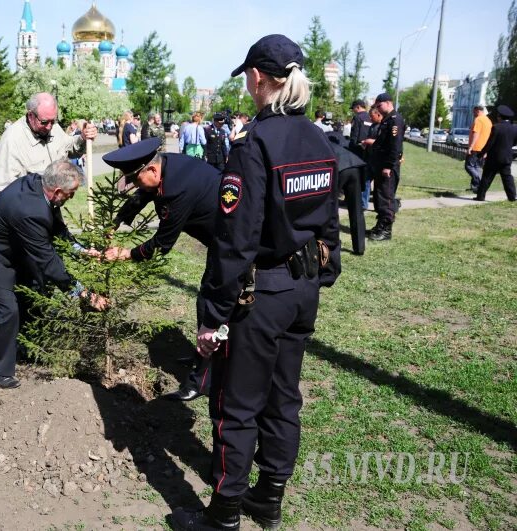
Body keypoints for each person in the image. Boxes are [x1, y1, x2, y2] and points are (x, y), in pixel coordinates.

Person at [170, 34, 340, 531]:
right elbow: (330, 218)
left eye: (247, 76)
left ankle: (223, 515)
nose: (246, 83)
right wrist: (320, 274)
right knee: (284, 396)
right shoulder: (318, 137)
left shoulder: (254, 145)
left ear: (260, 78)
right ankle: (269, 497)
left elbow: (234, 241)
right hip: (301, 292)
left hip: (261, 295)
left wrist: (212, 316)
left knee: (236, 405)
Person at [0, 160, 108, 389]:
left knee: (31, 288)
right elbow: (49, 262)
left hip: (9, 247)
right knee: (7, 308)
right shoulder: (30, 210)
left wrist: (81, 250)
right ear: (57, 191)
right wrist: (83, 293)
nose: (72, 198)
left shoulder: (41, 185)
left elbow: (57, 228)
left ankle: (24, 345)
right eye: (71, 193)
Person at [102, 137, 222, 402]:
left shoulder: (177, 190)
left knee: (210, 305)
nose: (134, 185)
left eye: (134, 179)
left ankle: (200, 381)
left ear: (152, 170)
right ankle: (203, 355)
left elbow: (161, 245)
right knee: (209, 304)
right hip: (222, 240)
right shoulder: (166, 165)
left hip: (231, 243)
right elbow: (143, 193)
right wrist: (118, 220)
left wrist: (125, 254)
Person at [0, 92, 97, 198]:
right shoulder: (12, 138)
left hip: (50, 205)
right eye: (44, 122)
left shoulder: (53, 126)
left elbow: (70, 148)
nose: (49, 127)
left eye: (53, 121)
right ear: (31, 115)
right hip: (26, 207)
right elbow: (2, 189)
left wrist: (83, 137)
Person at [367, 92, 405, 241]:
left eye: (379, 105)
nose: (378, 109)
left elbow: (395, 146)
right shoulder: (386, 120)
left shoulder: (395, 120)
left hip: (387, 167)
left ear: (388, 103)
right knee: (379, 197)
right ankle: (380, 225)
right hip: (380, 164)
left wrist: (389, 166)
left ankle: (386, 230)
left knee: (386, 199)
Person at [475, 105, 517, 202]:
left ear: (499, 116)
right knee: (507, 177)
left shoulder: (496, 127)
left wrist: (481, 154)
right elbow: (515, 142)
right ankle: (512, 197)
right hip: (506, 157)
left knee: (487, 177)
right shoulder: (514, 128)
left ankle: (480, 196)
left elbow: (490, 143)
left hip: (494, 157)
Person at [360, 106, 383, 211]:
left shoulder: (383, 126)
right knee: (366, 181)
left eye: (371, 116)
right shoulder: (373, 125)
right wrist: (365, 143)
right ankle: (363, 204)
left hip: (378, 159)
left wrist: (369, 141)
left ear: (378, 114)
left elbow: (382, 143)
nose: (370, 118)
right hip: (369, 157)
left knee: (379, 185)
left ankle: (379, 206)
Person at [466, 105, 493, 193]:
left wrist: (470, 147)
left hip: (476, 147)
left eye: (474, 112)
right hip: (484, 148)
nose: (473, 113)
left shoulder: (478, 119)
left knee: (469, 166)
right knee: (477, 167)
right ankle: (475, 187)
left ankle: (479, 182)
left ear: (478, 111)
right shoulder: (488, 121)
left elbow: (476, 133)